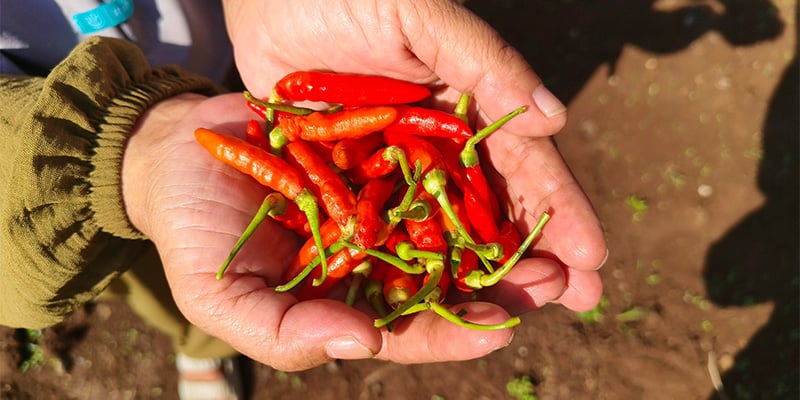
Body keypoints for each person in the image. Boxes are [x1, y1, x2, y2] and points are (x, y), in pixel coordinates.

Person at [0, 1, 607, 399]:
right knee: (171, 273)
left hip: (243, 48)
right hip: (49, 121)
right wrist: (131, 156)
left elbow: (387, 155)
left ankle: (204, 351)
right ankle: (198, 354)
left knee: (243, 271)